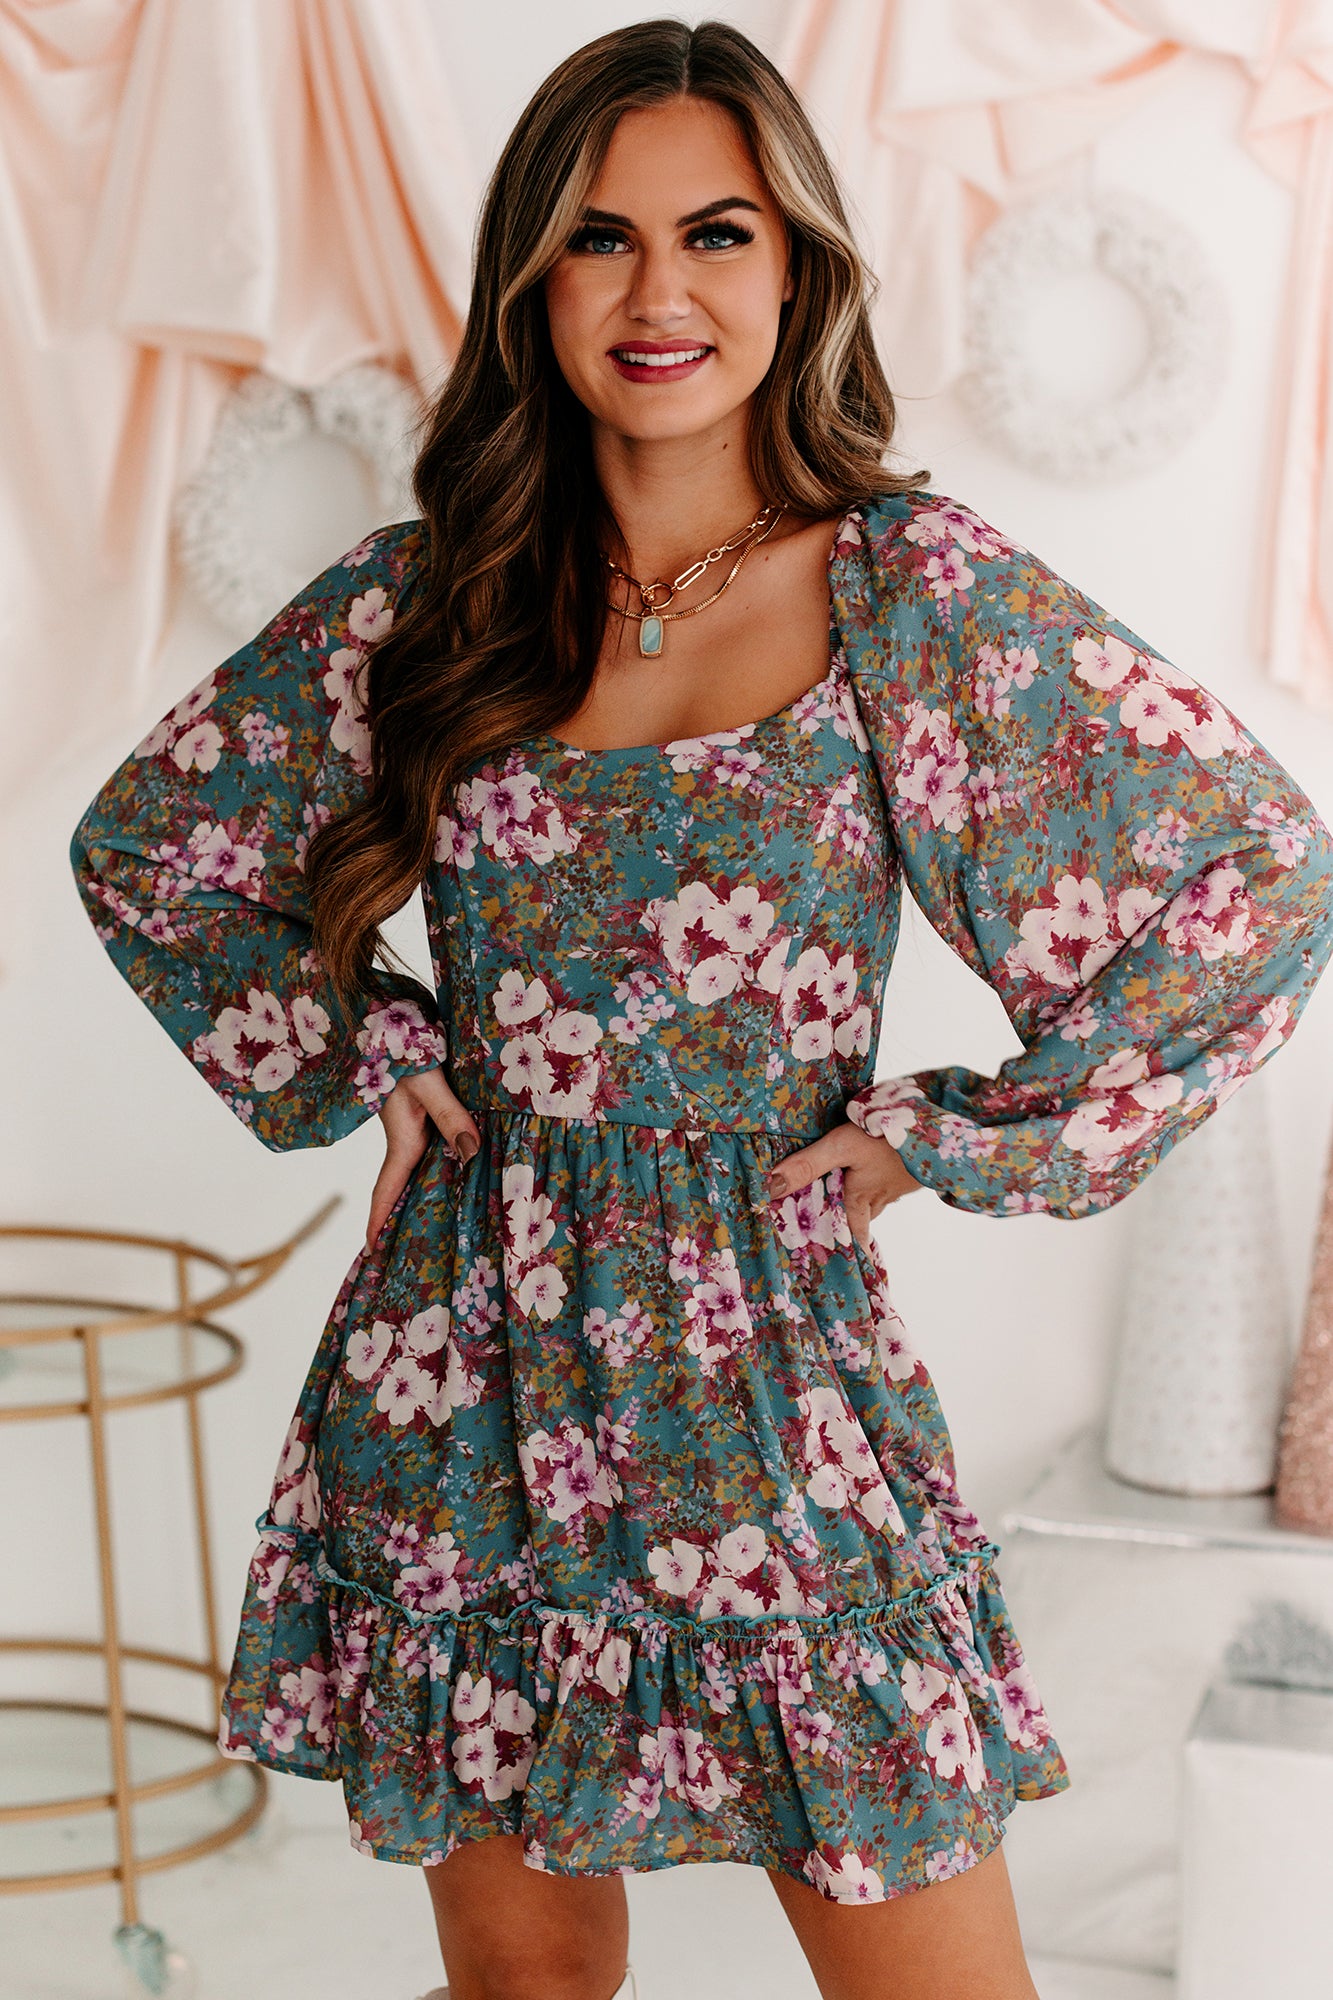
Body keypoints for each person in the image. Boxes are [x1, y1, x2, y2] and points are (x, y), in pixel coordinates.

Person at [71, 18, 1333, 2000]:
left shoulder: (908, 588)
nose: (657, 293)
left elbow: (1246, 875)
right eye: (599, 238)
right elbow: (154, 848)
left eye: (715, 233)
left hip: (772, 1376)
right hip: (463, 1367)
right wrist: (371, 1048)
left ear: (796, 266)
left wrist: (946, 1135)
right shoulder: (436, 596)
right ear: (531, 281)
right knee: (526, 1987)